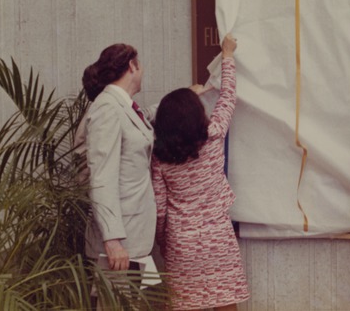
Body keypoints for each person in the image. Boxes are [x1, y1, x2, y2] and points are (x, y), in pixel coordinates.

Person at [151, 34, 249, 311]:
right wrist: (227, 55)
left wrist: (163, 242)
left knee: (186, 304)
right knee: (225, 302)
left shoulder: (160, 158)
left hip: (182, 242)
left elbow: (159, 210)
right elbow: (228, 96)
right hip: (217, 236)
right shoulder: (212, 136)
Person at [81, 44, 158, 300]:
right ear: (131, 66)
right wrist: (113, 240)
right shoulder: (107, 108)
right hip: (118, 245)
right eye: (141, 64)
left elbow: (142, 120)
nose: (143, 70)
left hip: (133, 238)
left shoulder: (123, 105)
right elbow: (102, 179)